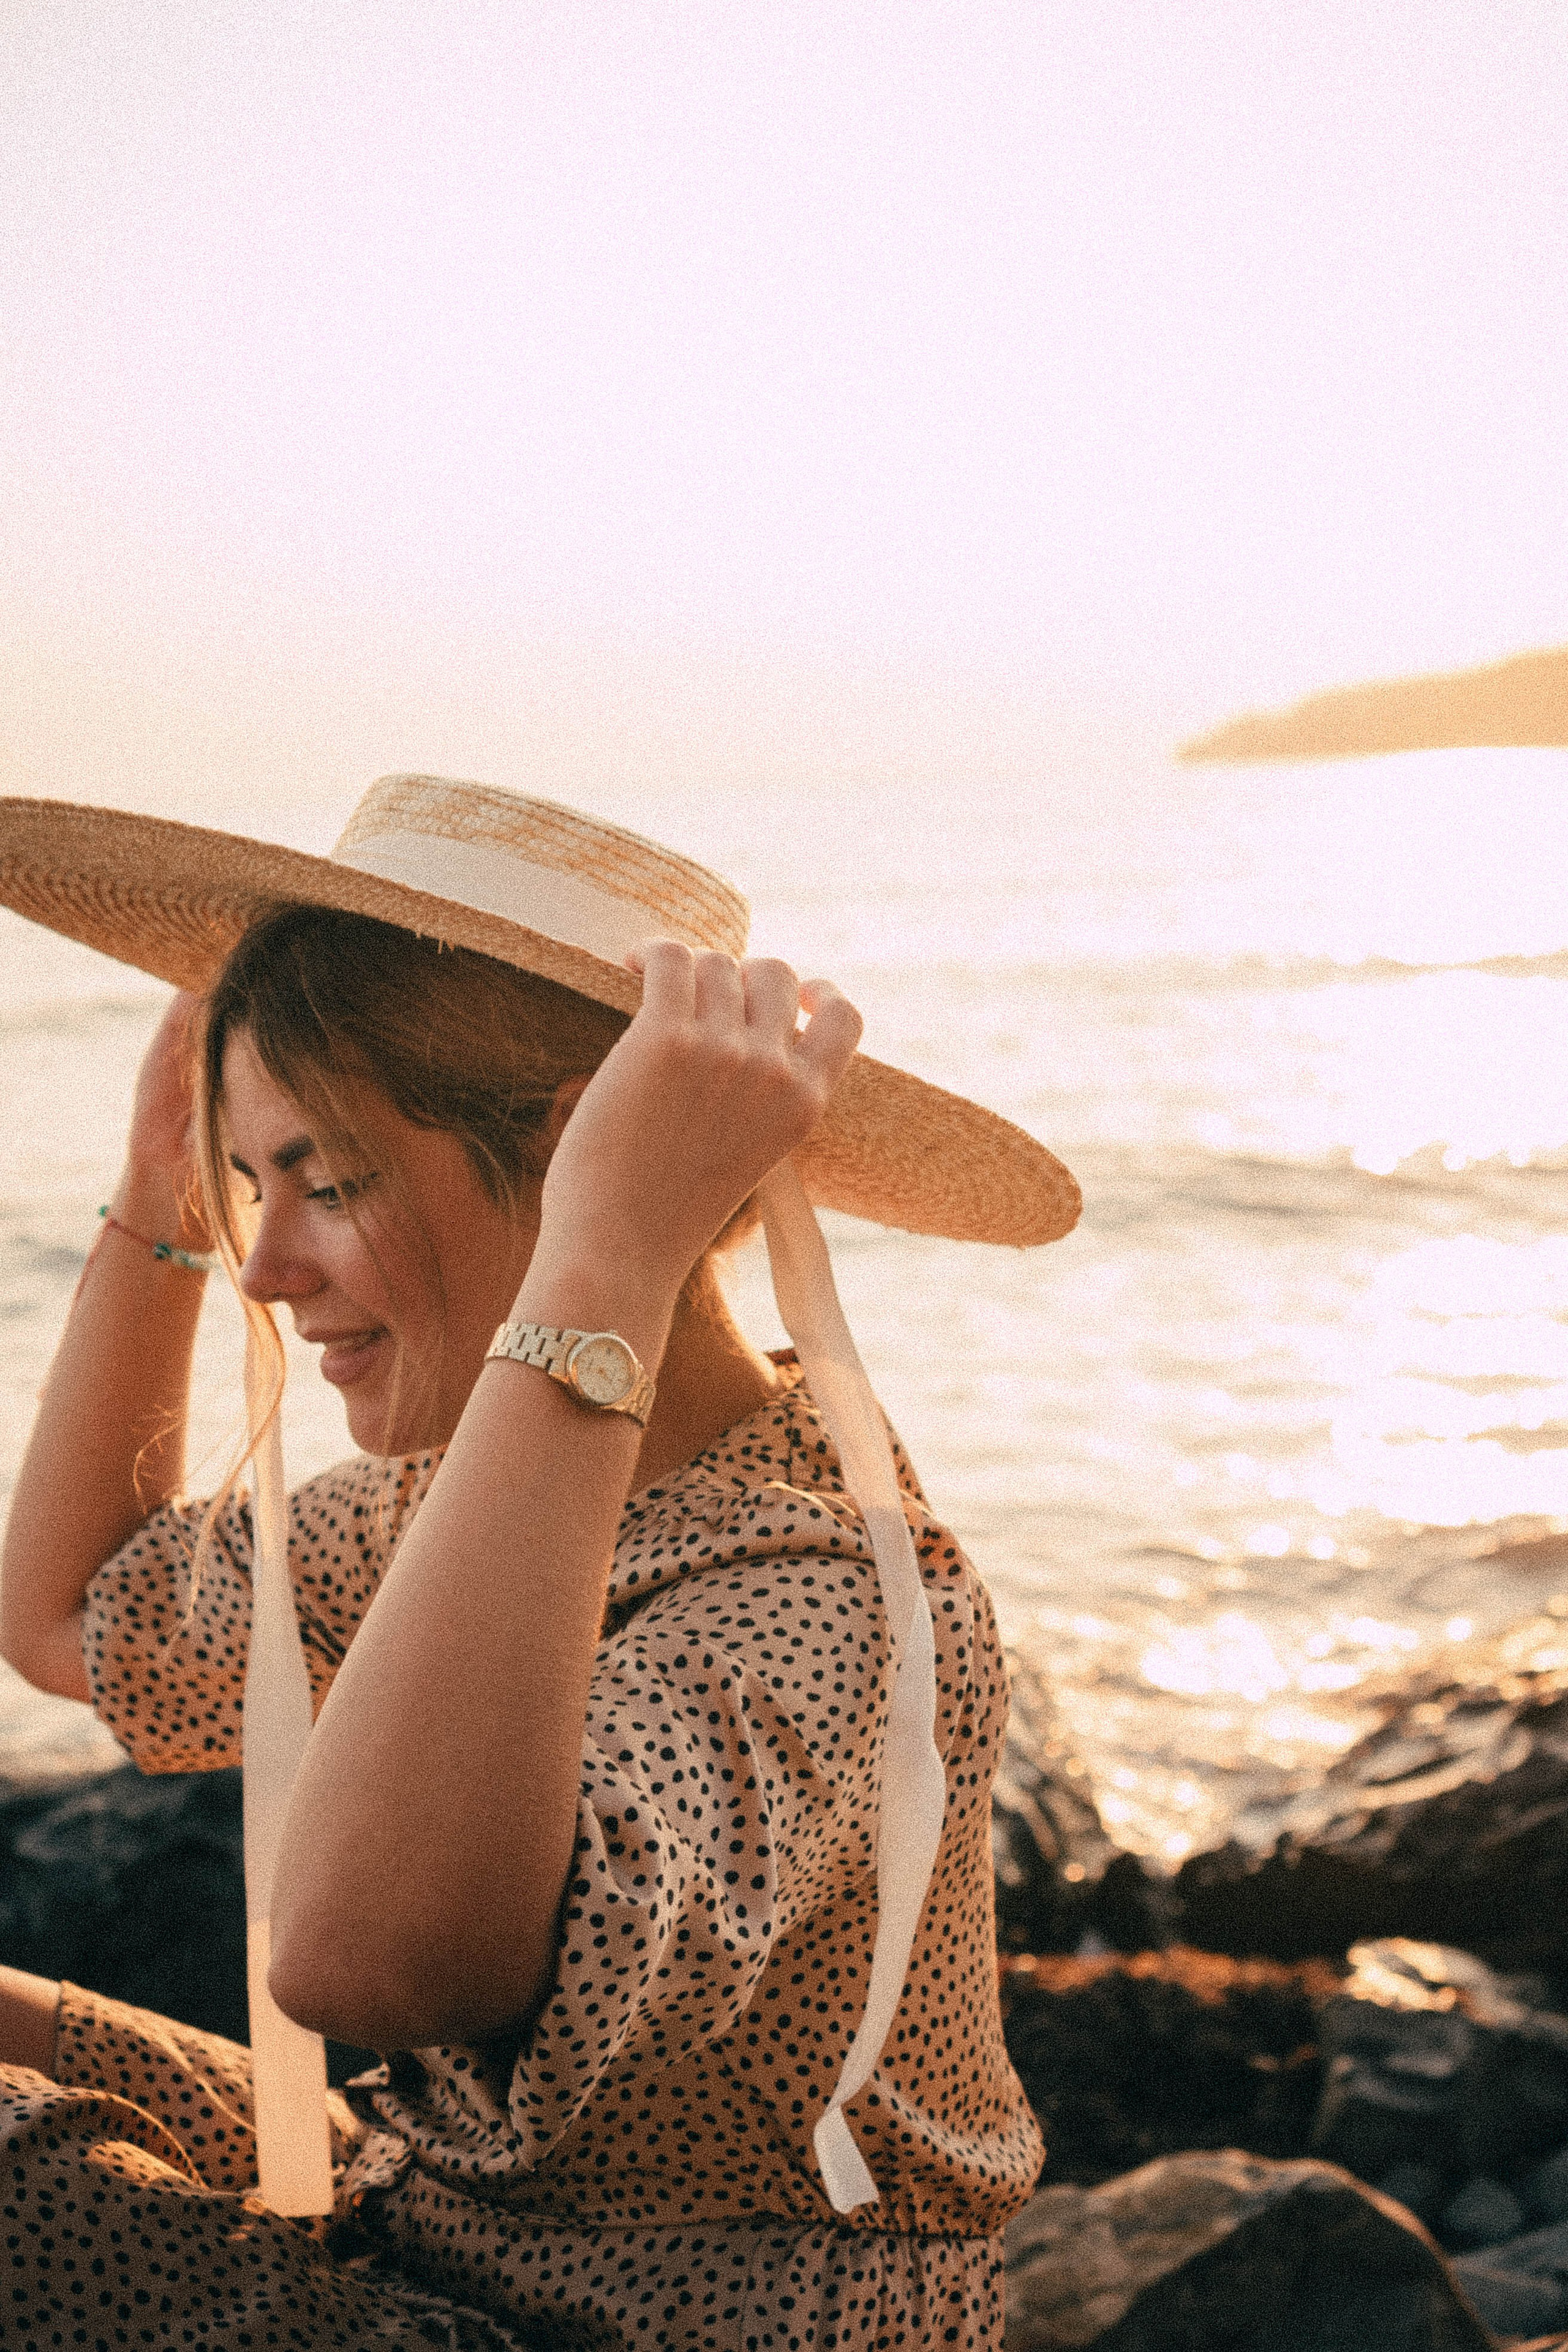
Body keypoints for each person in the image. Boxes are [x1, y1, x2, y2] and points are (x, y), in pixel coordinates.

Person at [0, 775, 1079, 2350]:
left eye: (331, 1178)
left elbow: (361, 1964)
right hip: (430, 2230)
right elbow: (68, 1620)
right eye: (251, 1188)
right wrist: (166, 1165)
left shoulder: (817, 1595)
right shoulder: (457, 1503)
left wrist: (607, 1257)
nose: (273, 1268)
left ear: (591, 1158)